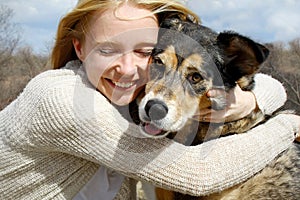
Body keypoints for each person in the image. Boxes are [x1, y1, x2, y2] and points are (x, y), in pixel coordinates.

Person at [0, 0, 299, 199]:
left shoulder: (118, 92)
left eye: (144, 52)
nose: (129, 68)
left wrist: (252, 100)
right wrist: (287, 125)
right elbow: (201, 174)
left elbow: (266, 83)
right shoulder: (64, 100)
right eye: (107, 49)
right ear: (79, 49)